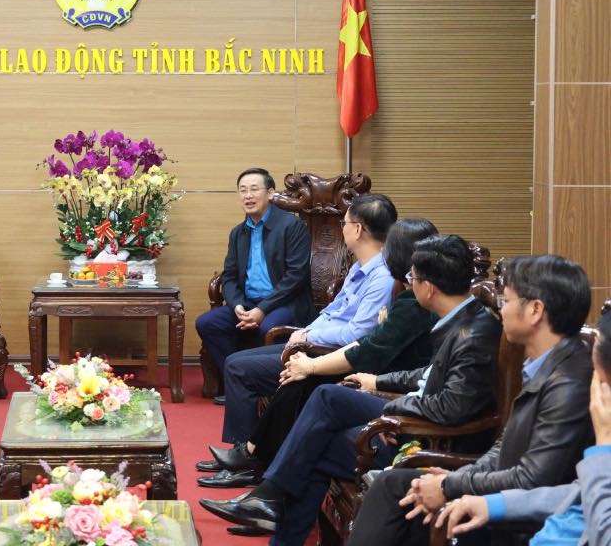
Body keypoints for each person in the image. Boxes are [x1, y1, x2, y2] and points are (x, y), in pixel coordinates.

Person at [200, 234, 502, 545]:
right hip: (419, 415)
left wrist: (393, 410)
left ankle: (271, 497)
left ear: (429, 287)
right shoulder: (463, 319)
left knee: (325, 410)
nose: (409, 283)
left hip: (433, 438)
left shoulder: (472, 336)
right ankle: (271, 503)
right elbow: (428, 374)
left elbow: (449, 408)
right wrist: (377, 382)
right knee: (323, 421)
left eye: (413, 277)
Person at [349, 254, 595, 546]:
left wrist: (450, 485)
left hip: (524, 520)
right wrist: (459, 477)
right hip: (501, 495)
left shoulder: (568, 382)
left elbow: (532, 478)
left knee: (398, 493)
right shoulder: (544, 364)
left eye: (507, 301)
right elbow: (505, 447)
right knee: (399, 487)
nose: (501, 311)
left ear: (535, 310)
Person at [199, 217, 441, 489]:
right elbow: (345, 320)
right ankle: (253, 462)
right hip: (367, 368)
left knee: (301, 384)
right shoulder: (399, 289)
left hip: (371, 374)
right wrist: (305, 339)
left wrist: (311, 362)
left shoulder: (409, 299)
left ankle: (255, 465)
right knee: (284, 376)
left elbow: (365, 342)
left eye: (346, 222)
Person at [434, 309, 611, 546]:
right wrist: (491, 504)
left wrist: (605, 445)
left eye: (599, 384)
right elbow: (579, 495)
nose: (596, 399)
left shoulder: (568, 383)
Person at [195, 168, 313, 390]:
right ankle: (239, 382)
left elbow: (296, 276)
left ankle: (271, 387)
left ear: (270, 193)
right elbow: (229, 276)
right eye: (243, 191)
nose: (248, 196)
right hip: (249, 303)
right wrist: (237, 304)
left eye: (254, 189)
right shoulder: (238, 232)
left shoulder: (291, 226)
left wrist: (263, 310)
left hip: (285, 302)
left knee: (269, 326)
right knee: (207, 323)